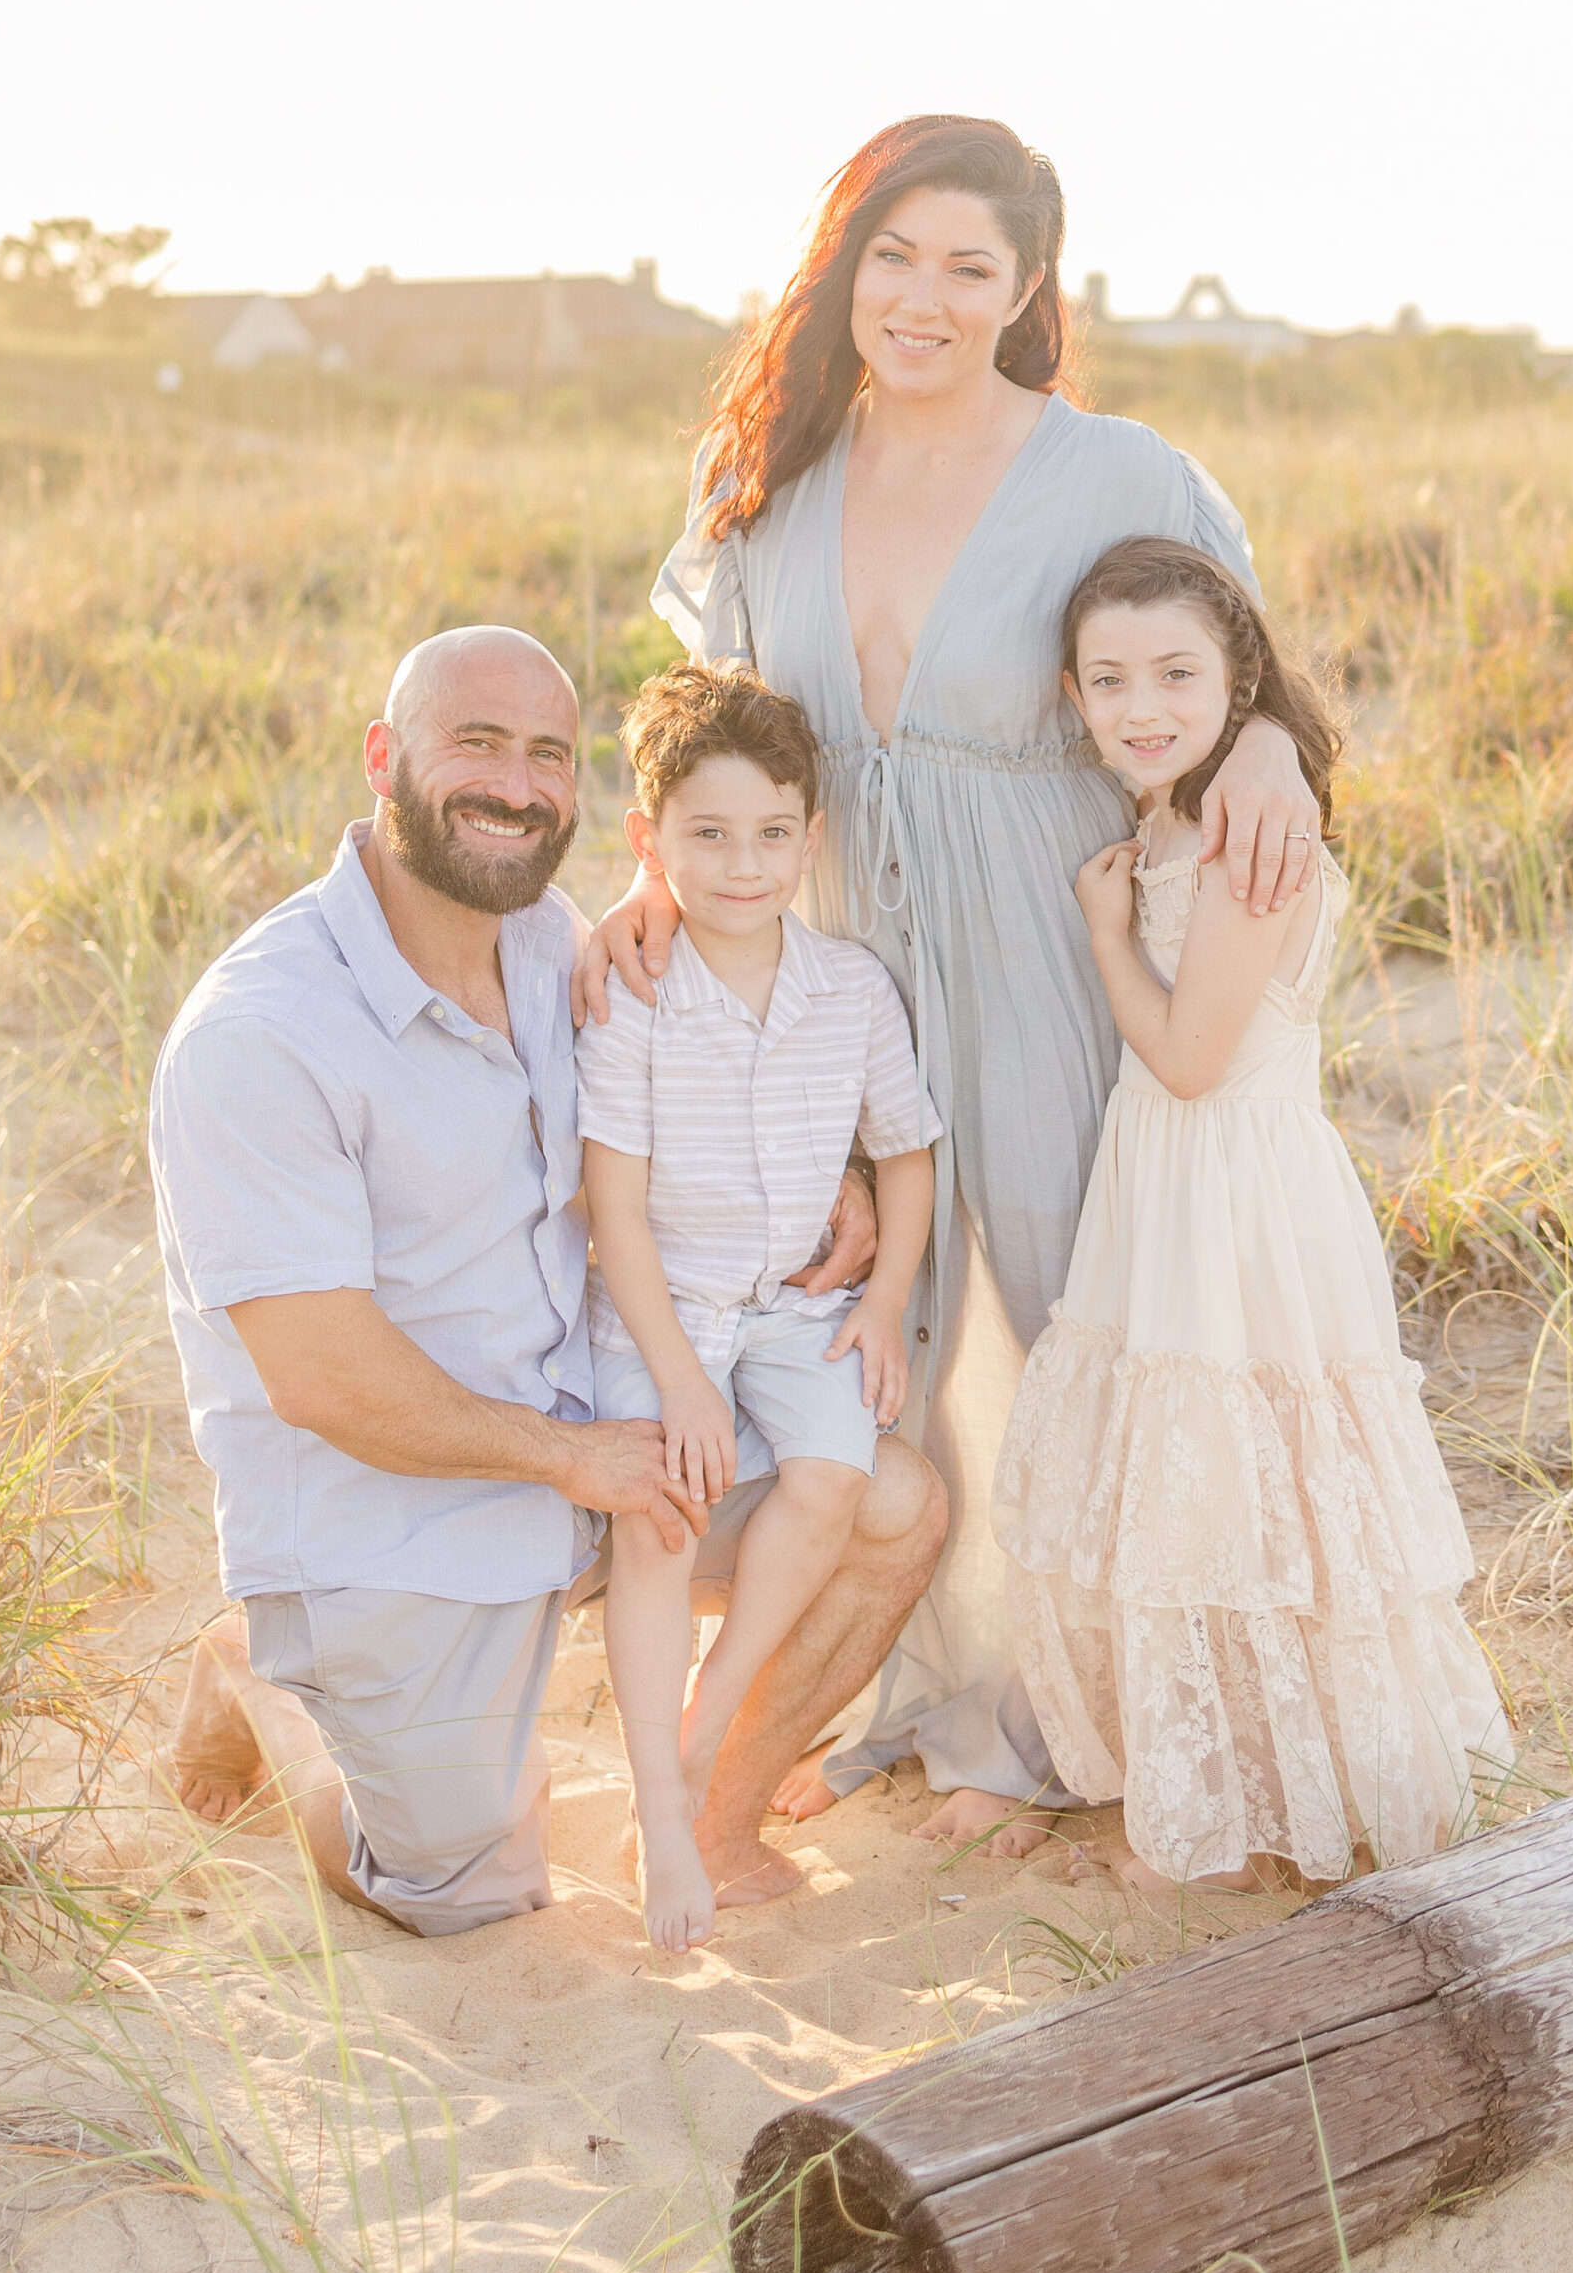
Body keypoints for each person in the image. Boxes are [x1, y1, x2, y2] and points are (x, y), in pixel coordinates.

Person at [577, 115, 1323, 1852]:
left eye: (966, 268)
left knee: (1072, 1317)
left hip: (1052, 949)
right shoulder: (769, 486)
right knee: (887, 1333)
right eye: (889, 256)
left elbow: (1230, 667)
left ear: (1026, 290)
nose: (920, 297)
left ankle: (1111, 1713)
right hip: (841, 964)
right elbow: (732, 744)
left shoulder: (1115, 468)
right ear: (841, 265)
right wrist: (647, 881)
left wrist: (1274, 756)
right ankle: (949, 1698)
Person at [154, 625, 946, 1936]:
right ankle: (264, 1684)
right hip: (407, 1514)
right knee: (465, 1886)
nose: (515, 785)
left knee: (891, 1504)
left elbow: (705, 1078)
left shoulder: (557, 944)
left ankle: (700, 1812)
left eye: (545, 755)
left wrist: (837, 1187)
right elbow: (318, 1377)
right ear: (380, 759)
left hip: (608, 1426)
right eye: (474, 743)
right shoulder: (260, 1037)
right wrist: (570, 1462)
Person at [993, 539, 1513, 1889]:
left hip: (1235, 1199)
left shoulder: (1238, 838)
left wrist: (1103, 934)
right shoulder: (1175, 812)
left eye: (1175, 672)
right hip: (1168, 1188)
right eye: (1108, 680)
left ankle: (1298, 1801)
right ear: (1070, 695)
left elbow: (1188, 1057)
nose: (1139, 705)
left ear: (1240, 683)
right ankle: (1218, 1791)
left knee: (1261, 1489)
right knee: (1200, 1488)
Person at [578, 663, 939, 1950]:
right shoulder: (632, 997)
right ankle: (663, 1817)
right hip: (660, 1310)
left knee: (837, 1471)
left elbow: (906, 1152)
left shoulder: (846, 989)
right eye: (709, 835)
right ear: (649, 843)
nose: (744, 865)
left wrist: (887, 1295)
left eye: (773, 834)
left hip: (791, 1310)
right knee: (666, 1507)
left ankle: (694, 1735)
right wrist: (676, 1378)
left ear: (812, 835)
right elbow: (615, 1213)